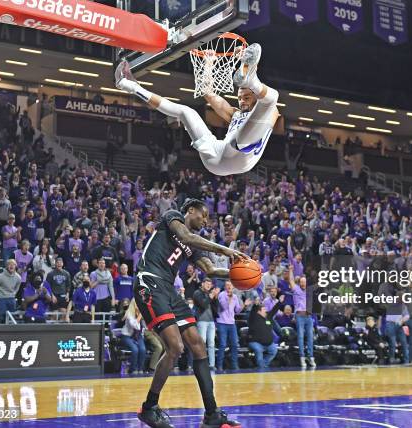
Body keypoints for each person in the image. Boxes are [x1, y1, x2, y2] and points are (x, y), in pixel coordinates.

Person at [132, 198, 247, 428]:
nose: (204, 220)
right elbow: (186, 237)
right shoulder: (172, 217)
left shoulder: (194, 246)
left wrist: (240, 274)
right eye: (203, 215)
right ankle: (149, 408)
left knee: (198, 345)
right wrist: (224, 248)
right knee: (175, 347)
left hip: (169, 289)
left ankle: (212, 414)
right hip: (150, 281)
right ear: (190, 210)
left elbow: (211, 269)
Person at [115, 44, 279, 176]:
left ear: (255, 96)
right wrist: (208, 63)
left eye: (246, 98)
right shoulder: (234, 114)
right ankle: (129, 85)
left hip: (240, 156)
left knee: (272, 99)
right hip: (217, 156)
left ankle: (251, 78)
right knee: (186, 112)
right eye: (240, 98)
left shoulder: (269, 112)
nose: (242, 101)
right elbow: (207, 93)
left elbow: (270, 108)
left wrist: (248, 63)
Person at [216, 280, 249, 371]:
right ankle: (219, 366)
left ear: (233, 287)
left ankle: (234, 365)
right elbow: (224, 307)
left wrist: (244, 305)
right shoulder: (221, 295)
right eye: (227, 285)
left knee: (235, 344)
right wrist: (229, 299)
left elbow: (237, 310)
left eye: (230, 285)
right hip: (222, 323)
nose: (229, 287)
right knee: (222, 345)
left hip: (231, 323)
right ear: (225, 287)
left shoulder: (235, 296)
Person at [288, 265, 315, 368]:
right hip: (299, 316)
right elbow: (291, 280)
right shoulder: (296, 289)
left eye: (305, 282)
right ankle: (302, 357)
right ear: (300, 283)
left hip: (308, 317)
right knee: (300, 337)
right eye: (302, 282)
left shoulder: (309, 290)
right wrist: (290, 270)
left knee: (310, 337)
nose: (304, 283)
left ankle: (311, 357)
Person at [248, 294, 285, 369]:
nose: (266, 310)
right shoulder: (254, 317)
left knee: (274, 350)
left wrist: (280, 302)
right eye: (264, 309)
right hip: (255, 342)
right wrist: (255, 304)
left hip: (269, 343)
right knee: (258, 350)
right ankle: (261, 367)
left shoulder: (268, 317)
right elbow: (253, 311)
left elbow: (274, 310)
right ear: (259, 312)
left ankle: (262, 365)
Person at [193, 277, 219, 370]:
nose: (209, 286)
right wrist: (211, 296)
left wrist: (215, 298)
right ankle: (201, 364)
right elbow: (203, 305)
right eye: (207, 284)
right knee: (202, 343)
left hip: (211, 321)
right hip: (201, 321)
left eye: (210, 284)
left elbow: (216, 308)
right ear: (202, 284)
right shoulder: (197, 293)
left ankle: (212, 364)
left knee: (211, 343)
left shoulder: (210, 294)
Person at [121, 299, 148, 375]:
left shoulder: (141, 313)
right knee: (135, 349)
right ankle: (133, 369)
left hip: (138, 336)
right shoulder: (129, 313)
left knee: (143, 349)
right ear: (134, 304)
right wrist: (140, 316)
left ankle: (140, 368)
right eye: (138, 304)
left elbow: (145, 326)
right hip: (127, 336)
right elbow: (136, 326)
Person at [0, 259, 22, 323]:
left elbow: (17, 288)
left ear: (15, 266)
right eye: (9, 264)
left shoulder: (18, 277)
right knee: (2, 318)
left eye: (13, 264)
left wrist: (13, 294)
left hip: (11, 299)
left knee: (12, 318)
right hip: (1, 299)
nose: (11, 266)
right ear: (6, 266)